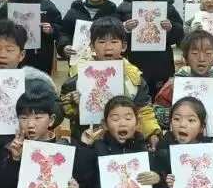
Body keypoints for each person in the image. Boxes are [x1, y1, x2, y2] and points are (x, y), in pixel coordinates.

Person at [60, 17, 160, 145]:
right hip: (88, 142)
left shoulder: (134, 77)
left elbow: (143, 111)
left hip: (125, 142)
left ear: (123, 46)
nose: (108, 47)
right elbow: (62, 109)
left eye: (114, 41)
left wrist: (152, 134)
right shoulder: (79, 75)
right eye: (101, 42)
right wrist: (73, 103)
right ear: (92, 46)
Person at [0, 20, 58, 150]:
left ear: (21, 55)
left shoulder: (36, 83)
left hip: (26, 148)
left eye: (9, 50)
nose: (2, 55)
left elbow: (57, 114)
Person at [153, 30, 213, 149]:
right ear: (186, 57)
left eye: (208, 53)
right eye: (195, 53)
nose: (201, 58)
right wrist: (166, 115)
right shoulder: (174, 84)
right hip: (179, 143)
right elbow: (155, 110)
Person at [117, 0, 185, 98]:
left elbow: (180, 34)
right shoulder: (124, 6)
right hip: (133, 63)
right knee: (134, 99)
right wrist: (125, 28)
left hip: (161, 64)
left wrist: (171, 28)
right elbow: (114, 33)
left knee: (161, 99)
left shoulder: (167, 5)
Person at [56, 0, 119, 66]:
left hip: (107, 65)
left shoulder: (113, 14)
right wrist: (64, 47)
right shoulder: (73, 13)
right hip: (78, 65)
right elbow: (63, 34)